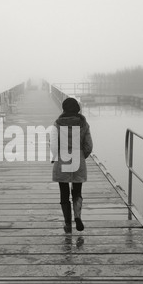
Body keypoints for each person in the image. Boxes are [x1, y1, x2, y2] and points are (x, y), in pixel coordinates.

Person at [51, 97, 93, 233]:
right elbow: (89, 146)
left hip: (62, 161)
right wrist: (81, 156)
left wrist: (57, 156)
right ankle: (78, 216)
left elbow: (53, 145)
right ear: (77, 109)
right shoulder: (84, 124)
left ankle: (68, 224)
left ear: (63, 109)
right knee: (77, 192)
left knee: (64, 194)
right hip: (77, 161)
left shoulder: (57, 124)